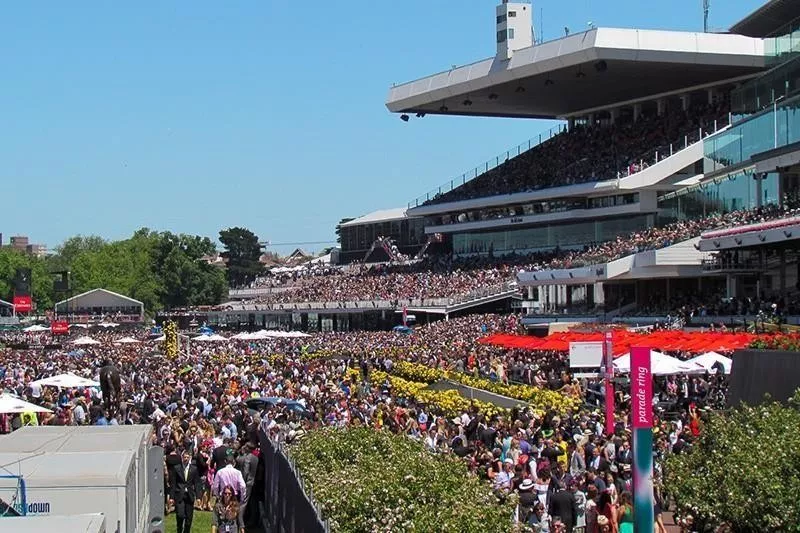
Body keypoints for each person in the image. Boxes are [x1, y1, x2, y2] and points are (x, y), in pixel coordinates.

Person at [169, 448, 200, 533]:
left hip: (189, 495)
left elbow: (197, 483)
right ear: (182, 458)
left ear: (190, 458)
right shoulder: (177, 468)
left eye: (187, 457)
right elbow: (173, 483)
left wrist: (198, 497)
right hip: (179, 494)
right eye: (184, 457)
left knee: (189, 519)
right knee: (180, 515)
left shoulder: (194, 469)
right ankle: (179, 530)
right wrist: (171, 497)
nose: (186, 459)